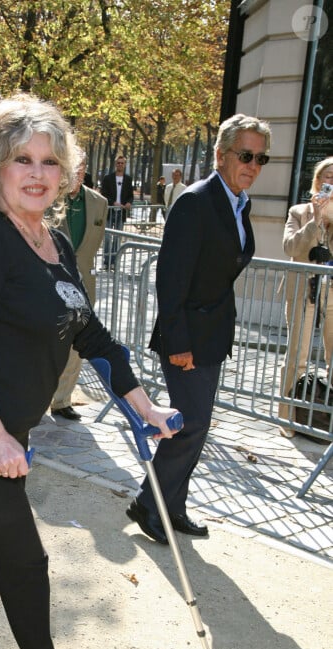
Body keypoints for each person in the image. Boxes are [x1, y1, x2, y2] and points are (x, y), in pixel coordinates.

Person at [0, 94, 180, 649]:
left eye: (48, 160)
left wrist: (147, 409)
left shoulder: (56, 241)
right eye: (21, 160)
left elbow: (92, 335)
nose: (37, 173)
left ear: (65, 170)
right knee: (26, 564)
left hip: (11, 431)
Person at [127, 113, 271, 545]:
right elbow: (170, 280)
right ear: (220, 155)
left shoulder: (237, 203)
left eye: (261, 158)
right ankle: (148, 503)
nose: (253, 165)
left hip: (211, 336)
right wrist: (179, 343)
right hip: (187, 338)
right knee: (189, 426)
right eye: (245, 155)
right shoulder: (196, 200)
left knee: (197, 426)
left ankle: (172, 507)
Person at [50, 150, 108, 420]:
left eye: (83, 166)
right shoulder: (48, 196)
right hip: (49, 283)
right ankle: (39, 396)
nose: (79, 171)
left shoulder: (99, 203)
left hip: (84, 285)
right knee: (47, 342)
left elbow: (93, 245)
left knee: (76, 347)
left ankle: (62, 400)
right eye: (75, 165)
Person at [278, 156, 333, 437]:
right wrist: (315, 219)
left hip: (331, 290)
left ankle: (328, 418)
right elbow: (291, 247)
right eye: (327, 176)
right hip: (303, 287)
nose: (331, 181)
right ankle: (287, 419)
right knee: (297, 353)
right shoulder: (299, 211)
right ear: (317, 181)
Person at [100, 155, 134, 268]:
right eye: (118, 163)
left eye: (122, 163)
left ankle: (114, 261)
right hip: (110, 211)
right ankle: (106, 261)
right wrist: (113, 202)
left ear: (125, 165)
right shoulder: (108, 178)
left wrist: (129, 202)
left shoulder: (128, 179)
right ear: (115, 164)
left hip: (121, 212)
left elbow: (130, 195)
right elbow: (103, 194)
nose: (120, 165)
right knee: (108, 237)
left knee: (117, 237)